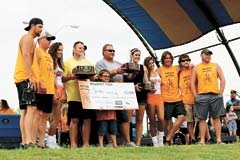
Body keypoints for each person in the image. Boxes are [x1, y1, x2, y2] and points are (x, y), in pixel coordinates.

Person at [95, 44, 135, 147]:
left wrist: (134, 73)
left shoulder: (119, 63)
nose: (112, 52)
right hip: (107, 95)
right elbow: (101, 76)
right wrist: (115, 71)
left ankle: (127, 141)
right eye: (110, 50)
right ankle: (110, 142)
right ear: (104, 52)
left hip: (120, 94)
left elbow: (128, 77)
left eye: (113, 50)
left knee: (124, 117)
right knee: (108, 118)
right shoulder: (100, 63)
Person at [14, 17, 43, 148]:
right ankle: (29, 141)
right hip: (25, 77)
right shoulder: (27, 39)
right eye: (40, 27)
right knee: (31, 108)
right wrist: (30, 76)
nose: (41, 30)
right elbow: (26, 55)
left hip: (21, 77)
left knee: (25, 110)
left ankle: (26, 141)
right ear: (32, 26)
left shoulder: (30, 40)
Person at [63, 41, 94, 148]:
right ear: (74, 49)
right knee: (74, 119)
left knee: (87, 120)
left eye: (83, 48)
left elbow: (93, 77)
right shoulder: (67, 62)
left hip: (86, 94)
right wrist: (72, 76)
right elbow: (62, 78)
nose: (81, 50)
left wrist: (91, 77)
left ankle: (86, 144)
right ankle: (73, 144)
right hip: (73, 95)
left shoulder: (88, 63)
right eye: (79, 48)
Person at [191, 48, 226, 144]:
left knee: (217, 117)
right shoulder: (196, 67)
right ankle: (202, 140)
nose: (208, 56)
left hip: (215, 94)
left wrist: (221, 93)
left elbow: (223, 79)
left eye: (209, 54)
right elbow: (192, 83)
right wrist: (196, 96)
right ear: (201, 55)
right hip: (202, 95)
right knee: (202, 118)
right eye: (206, 54)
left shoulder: (215, 65)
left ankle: (219, 139)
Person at [156, 51, 186, 145]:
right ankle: (170, 141)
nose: (168, 60)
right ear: (163, 60)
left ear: (172, 59)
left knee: (182, 117)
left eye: (169, 58)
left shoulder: (176, 68)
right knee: (168, 121)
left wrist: (188, 64)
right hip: (165, 99)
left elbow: (188, 65)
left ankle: (168, 137)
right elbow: (152, 77)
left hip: (177, 98)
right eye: (166, 58)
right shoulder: (159, 70)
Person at [123, 48, 149, 146]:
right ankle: (128, 141)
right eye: (136, 55)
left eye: (139, 55)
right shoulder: (126, 66)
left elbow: (146, 81)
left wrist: (150, 86)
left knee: (139, 119)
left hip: (141, 94)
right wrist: (133, 87)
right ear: (132, 56)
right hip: (130, 94)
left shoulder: (143, 67)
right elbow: (125, 79)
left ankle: (138, 142)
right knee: (128, 119)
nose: (137, 57)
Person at [35, 31, 56, 148]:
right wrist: (39, 81)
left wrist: (56, 87)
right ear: (40, 39)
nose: (50, 41)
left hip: (49, 90)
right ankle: (33, 140)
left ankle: (42, 142)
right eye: (48, 39)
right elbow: (34, 68)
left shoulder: (48, 56)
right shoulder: (37, 51)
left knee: (45, 116)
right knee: (38, 114)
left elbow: (51, 73)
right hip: (40, 88)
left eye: (51, 39)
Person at [46, 42, 66, 148]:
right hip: (54, 90)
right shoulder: (51, 62)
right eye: (58, 50)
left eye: (62, 50)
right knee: (56, 118)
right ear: (54, 50)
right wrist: (53, 93)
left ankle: (53, 141)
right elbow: (50, 78)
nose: (60, 52)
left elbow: (61, 79)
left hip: (61, 89)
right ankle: (50, 141)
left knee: (57, 118)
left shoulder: (59, 63)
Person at [143, 56, 164, 146]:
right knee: (152, 120)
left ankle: (161, 140)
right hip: (151, 96)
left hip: (159, 96)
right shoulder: (146, 73)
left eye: (152, 63)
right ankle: (155, 142)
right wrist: (150, 87)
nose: (151, 64)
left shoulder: (157, 71)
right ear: (147, 65)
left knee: (161, 118)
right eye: (149, 63)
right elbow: (145, 84)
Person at [96, 69, 118, 147]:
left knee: (113, 129)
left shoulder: (113, 87)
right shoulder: (96, 87)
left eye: (108, 76)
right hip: (102, 112)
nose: (107, 78)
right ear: (100, 77)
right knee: (102, 129)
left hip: (112, 112)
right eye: (105, 76)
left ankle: (115, 144)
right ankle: (101, 145)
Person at [178, 54, 196, 144]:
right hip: (185, 100)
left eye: (187, 60)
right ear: (180, 63)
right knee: (189, 121)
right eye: (183, 60)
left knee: (200, 120)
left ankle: (205, 137)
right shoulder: (179, 73)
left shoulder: (193, 69)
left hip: (196, 99)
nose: (186, 62)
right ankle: (192, 138)